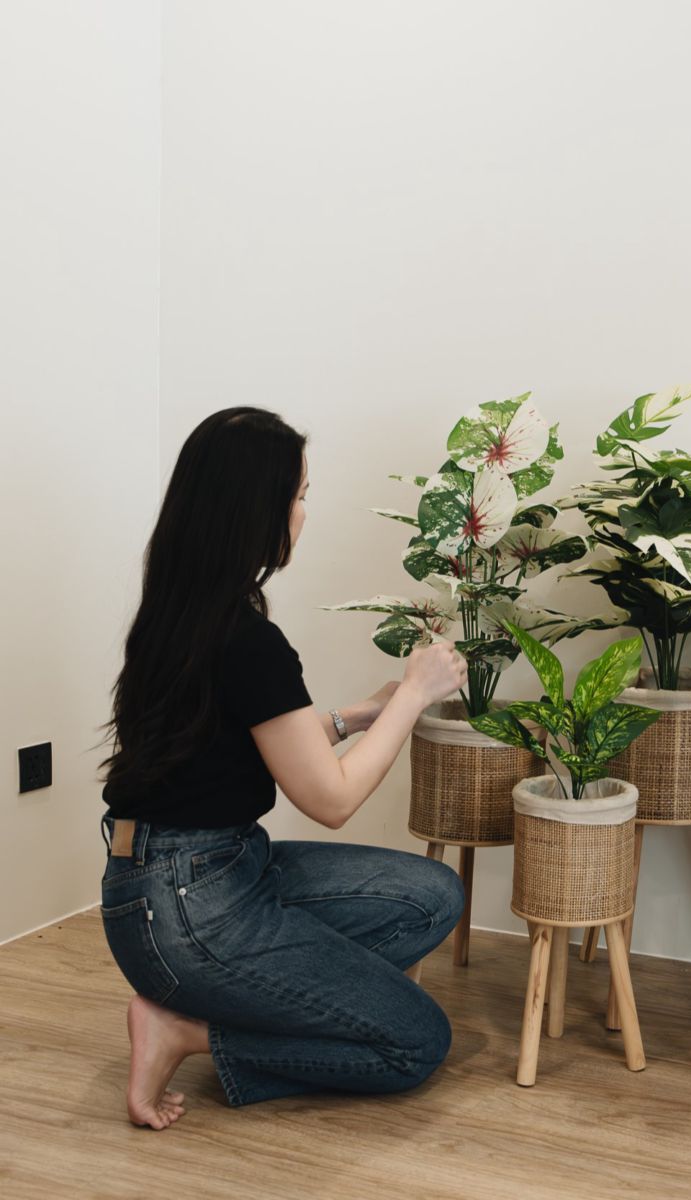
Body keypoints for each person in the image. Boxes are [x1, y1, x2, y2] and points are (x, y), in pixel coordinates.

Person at [99, 407, 467, 1129]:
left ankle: (275, 992)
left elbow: (237, 744)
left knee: (431, 895)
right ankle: (186, 1030)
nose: (303, 513)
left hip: (191, 875)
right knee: (416, 1041)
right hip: (189, 908)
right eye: (298, 496)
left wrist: (359, 715)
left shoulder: (181, 613)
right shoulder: (246, 638)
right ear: (256, 510)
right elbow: (331, 800)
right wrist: (412, 695)